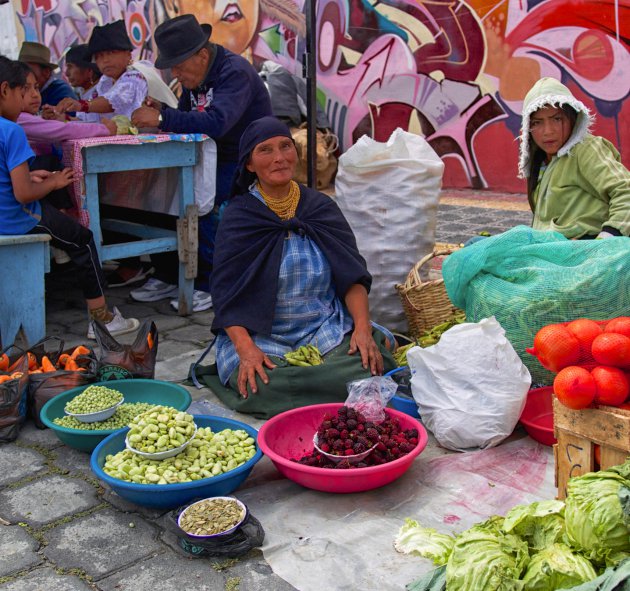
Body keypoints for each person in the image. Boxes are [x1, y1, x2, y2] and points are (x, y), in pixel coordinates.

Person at [194, 116, 396, 419]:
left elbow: (351, 275)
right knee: (263, 384)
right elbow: (225, 294)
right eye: (265, 150)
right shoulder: (239, 217)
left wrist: (363, 329)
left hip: (323, 329)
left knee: (370, 359)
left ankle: (314, 387)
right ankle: (319, 390)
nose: (279, 158)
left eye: (285, 147)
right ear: (249, 164)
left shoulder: (319, 207)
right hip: (262, 336)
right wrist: (246, 350)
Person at [129, 14, 273, 312]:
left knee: (203, 204)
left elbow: (217, 122)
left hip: (243, 158)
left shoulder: (234, 72)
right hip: (209, 154)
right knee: (159, 196)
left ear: (202, 55)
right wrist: (164, 110)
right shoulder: (196, 77)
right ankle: (170, 275)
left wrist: (161, 118)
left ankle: (209, 284)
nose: (176, 74)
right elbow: (188, 118)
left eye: (179, 67)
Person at [0, 56, 139, 339]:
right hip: (17, 217)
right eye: (22, 92)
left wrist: (33, 178)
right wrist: (52, 182)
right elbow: (23, 193)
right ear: (5, 90)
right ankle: (101, 320)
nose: (27, 98)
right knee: (84, 241)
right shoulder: (11, 130)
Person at [519, 77, 630, 239]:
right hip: (550, 248)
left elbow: (625, 191)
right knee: (478, 244)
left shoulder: (586, 149)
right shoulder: (543, 161)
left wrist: (606, 239)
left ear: (572, 119)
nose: (548, 131)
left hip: (582, 250)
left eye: (557, 119)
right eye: (537, 122)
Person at [17, 62, 114, 213]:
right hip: (31, 183)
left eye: (36, 87)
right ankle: (65, 216)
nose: (35, 94)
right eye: (25, 89)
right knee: (51, 164)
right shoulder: (19, 118)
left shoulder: (23, 117)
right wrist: (104, 129)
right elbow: (62, 130)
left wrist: (45, 120)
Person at [54, 20, 177, 121]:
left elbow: (114, 101)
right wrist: (62, 118)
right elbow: (94, 119)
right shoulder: (105, 82)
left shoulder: (136, 75)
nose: (105, 60)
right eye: (99, 56)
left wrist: (82, 105)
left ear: (128, 55)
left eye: (111, 53)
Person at [18, 42, 76, 107]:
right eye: (21, 70)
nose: (24, 75)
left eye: (28, 70)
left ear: (46, 72)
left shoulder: (61, 92)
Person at [62, 44, 102, 123]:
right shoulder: (85, 92)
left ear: (89, 70)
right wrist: (63, 118)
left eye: (70, 67)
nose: (66, 73)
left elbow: (95, 126)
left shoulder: (103, 92)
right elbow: (85, 122)